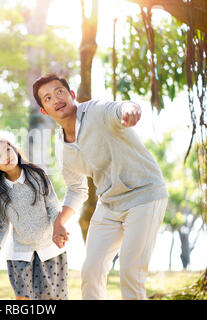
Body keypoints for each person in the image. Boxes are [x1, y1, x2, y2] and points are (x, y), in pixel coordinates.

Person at [32, 73, 168, 300]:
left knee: (131, 271)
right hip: (109, 205)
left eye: (59, 92)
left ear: (71, 94)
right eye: (47, 98)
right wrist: (59, 222)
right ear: (44, 111)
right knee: (91, 271)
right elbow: (76, 188)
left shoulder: (95, 111)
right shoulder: (61, 146)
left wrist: (130, 110)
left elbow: (119, 107)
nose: (55, 98)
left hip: (145, 195)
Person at [0, 138, 68, 300]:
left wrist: (59, 228)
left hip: (49, 249)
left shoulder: (37, 175)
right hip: (20, 253)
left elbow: (53, 207)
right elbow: (2, 225)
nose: (6, 156)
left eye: (7, 149)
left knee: (52, 299)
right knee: (23, 299)